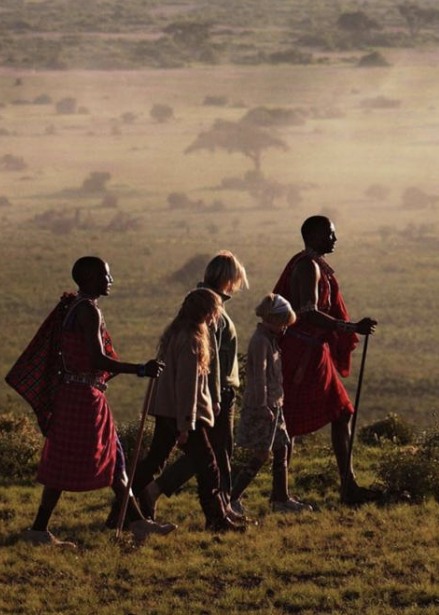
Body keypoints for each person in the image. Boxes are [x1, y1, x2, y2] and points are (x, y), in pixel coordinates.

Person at [25, 256, 172, 547]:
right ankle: (39, 530)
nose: (110, 281)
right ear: (91, 278)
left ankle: (138, 522)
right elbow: (96, 359)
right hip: (83, 398)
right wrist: (140, 369)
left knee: (111, 457)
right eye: (106, 275)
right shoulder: (87, 312)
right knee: (88, 459)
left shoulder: (74, 306)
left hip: (76, 395)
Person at [273, 215, 379, 504]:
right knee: (289, 423)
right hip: (302, 352)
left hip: (313, 351)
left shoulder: (314, 265)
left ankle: (349, 486)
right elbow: (306, 312)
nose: (335, 239)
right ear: (315, 235)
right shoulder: (307, 267)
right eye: (330, 234)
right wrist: (350, 327)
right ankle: (280, 494)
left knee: (342, 412)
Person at [132, 289, 243, 533]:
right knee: (208, 466)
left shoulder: (176, 332)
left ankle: (126, 506)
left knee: (155, 461)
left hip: (168, 410)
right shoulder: (192, 339)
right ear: (207, 313)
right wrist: (186, 425)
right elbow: (187, 386)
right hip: (183, 415)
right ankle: (217, 519)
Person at [148, 251, 247, 517]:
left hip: (202, 397)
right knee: (213, 457)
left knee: (202, 456)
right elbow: (209, 364)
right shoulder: (210, 310)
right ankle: (219, 510)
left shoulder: (200, 303)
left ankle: (143, 498)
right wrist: (214, 399)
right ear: (228, 278)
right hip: (212, 396)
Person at [229, 293, 313, 515]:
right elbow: (258, 378)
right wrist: (263, 406)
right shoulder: (260, 343)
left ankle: (281, 498)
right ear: (275, 321)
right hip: (264, 407)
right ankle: (232, 497)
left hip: (274, 405)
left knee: (281, 447)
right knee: (262, 454)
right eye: (284, 324)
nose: (285, 328)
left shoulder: (269, 340)